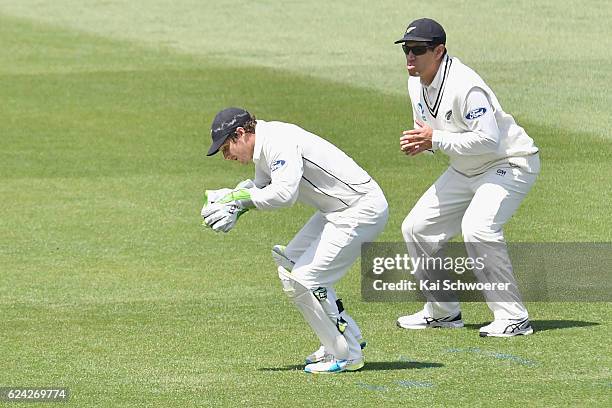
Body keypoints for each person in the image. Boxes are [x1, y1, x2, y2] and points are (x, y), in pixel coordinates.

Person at [201, 107, 388, 372]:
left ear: (240, 133)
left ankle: (347, 355)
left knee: (305, 280)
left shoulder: (278, 142)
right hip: (336, 210)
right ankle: (340, 338)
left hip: (359, 209)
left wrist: (237, 200)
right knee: (291, 262)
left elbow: (283, 195)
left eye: (225, 148)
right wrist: (233, 200)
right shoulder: (263, 147)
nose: (227, 156)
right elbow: (263, 188)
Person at [394, 18, 540, 337]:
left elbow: (487, 139)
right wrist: (425, 143)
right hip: (466, 167)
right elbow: (428, 128)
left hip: (509, 163)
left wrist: (435, 140)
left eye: (417, 50)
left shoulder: (465, 86)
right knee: (417, 228)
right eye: (406, 49)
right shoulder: (415, 80)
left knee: (478, 228)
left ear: (439, 51)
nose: (410, 57)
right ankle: (443, 312)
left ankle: (514, 317)